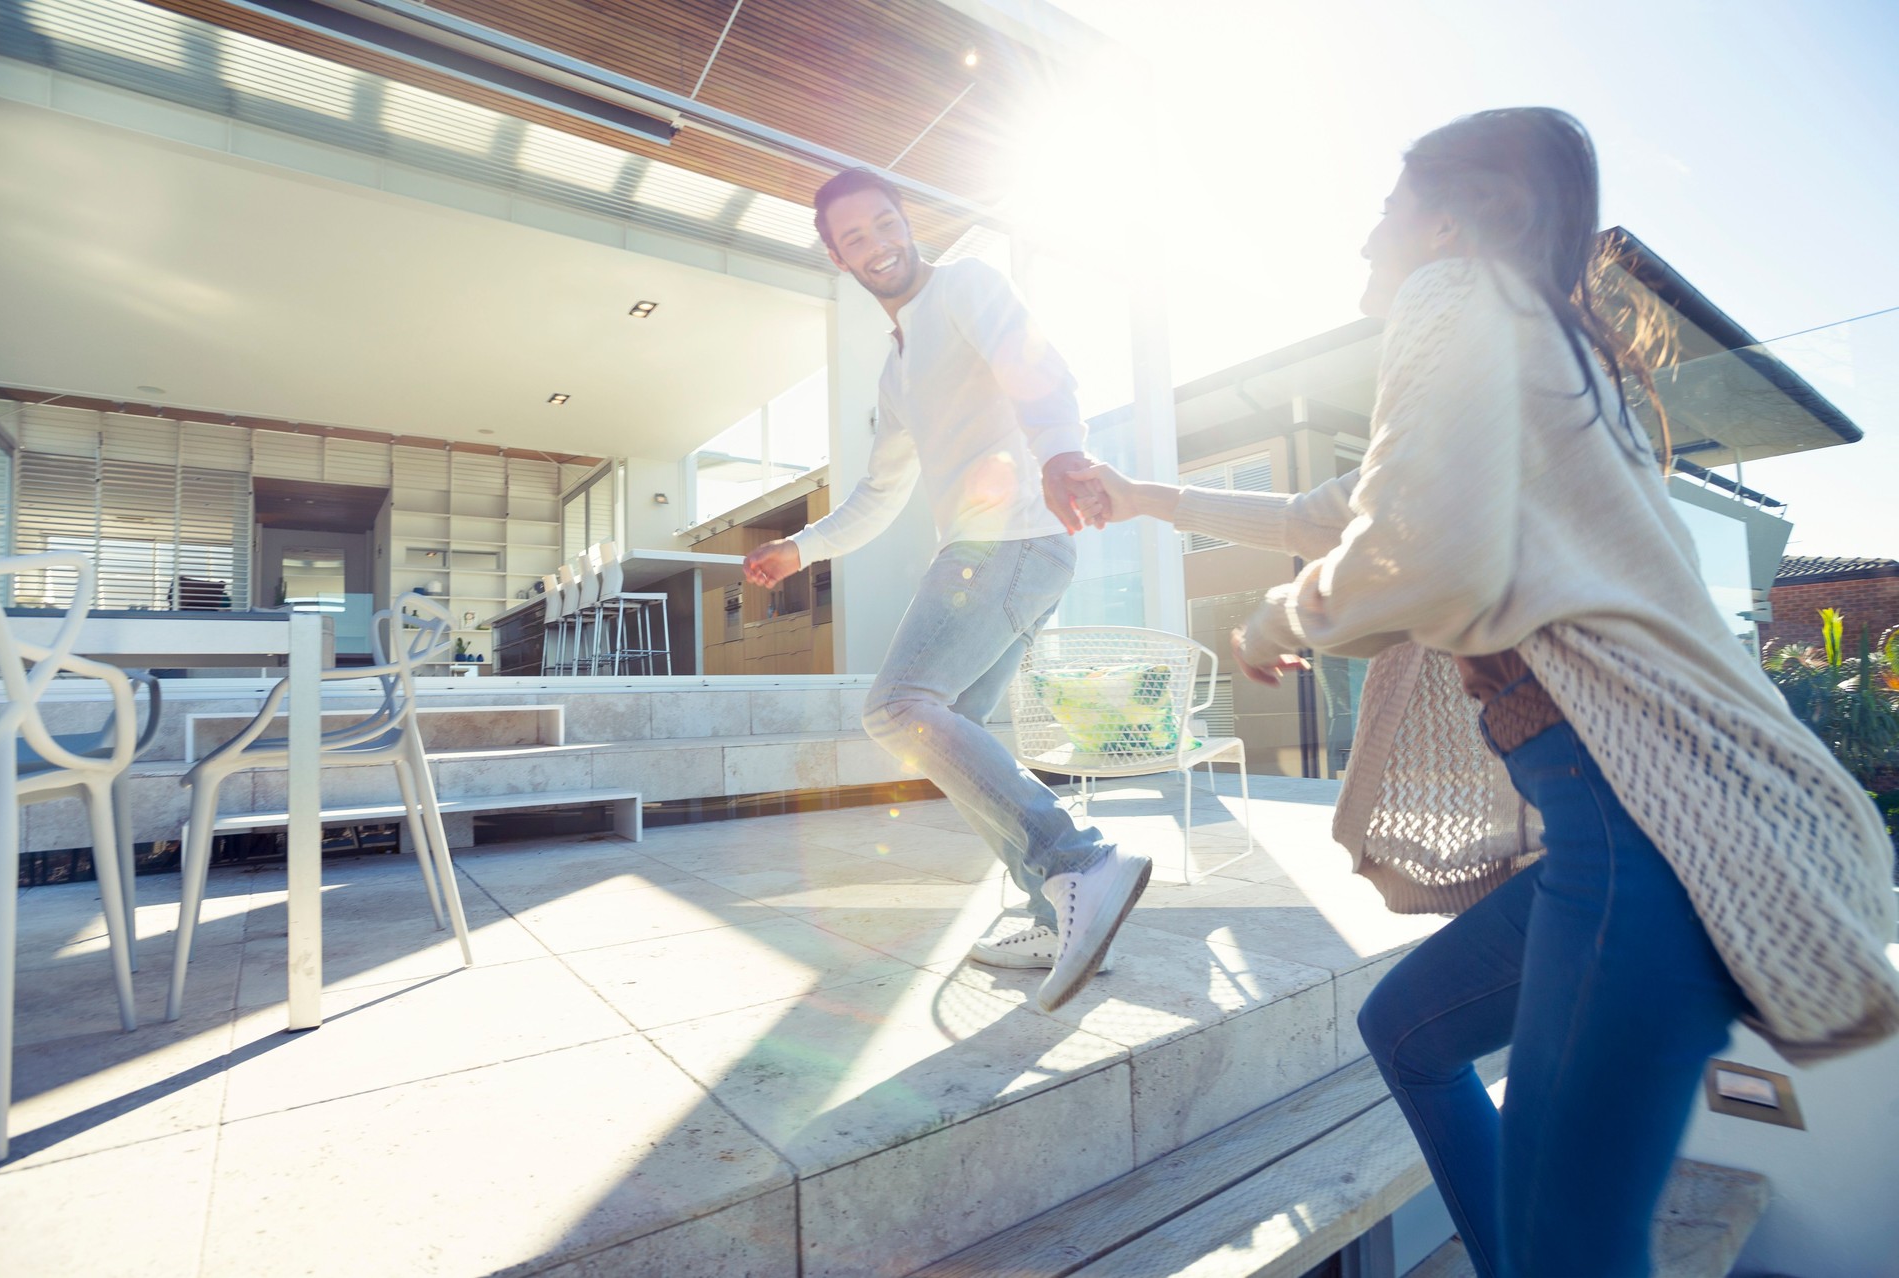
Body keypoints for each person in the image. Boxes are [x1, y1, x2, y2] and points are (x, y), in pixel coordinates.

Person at [1069, 107, 1898, 1277]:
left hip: (1642, 840)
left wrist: (1275, 619)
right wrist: (1145, 497)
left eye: (1387, 206)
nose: (1368, 237)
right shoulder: (1528, 345)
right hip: (1618, 838)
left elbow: (1418, 553)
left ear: (1452, 221)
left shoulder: (1453, 295)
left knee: (1580, 1250)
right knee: (1407, 1035)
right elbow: (1340, 514)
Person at [743, 168, 1151, 1012]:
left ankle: (1077, 866)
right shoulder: (898, 376)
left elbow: (1040, 373)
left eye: (885, 224)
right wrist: (800, 549)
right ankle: (1059, 911)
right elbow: (879, 495)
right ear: (837, 255)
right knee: (943, 728)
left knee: (898, 708)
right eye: (855, 237)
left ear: (906, 222)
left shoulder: (967, 284)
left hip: (1010, 541)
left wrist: (1065, 452)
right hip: (1007, 552)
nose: (878, 244)